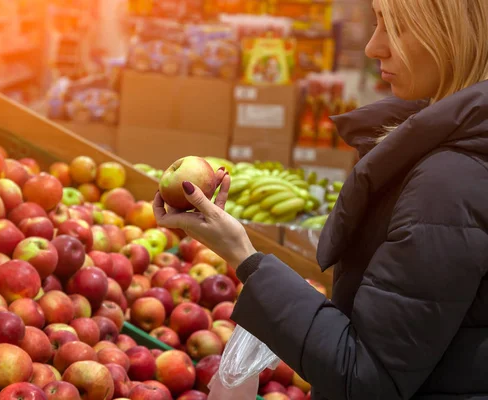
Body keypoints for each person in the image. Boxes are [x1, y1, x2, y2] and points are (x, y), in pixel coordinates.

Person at [153, 0, 488, 398]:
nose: (373, 47)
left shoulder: (447, 185)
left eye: (394, 27)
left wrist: (244, 257)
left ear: (451, 36)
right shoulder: (449, 155)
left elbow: (365, 377)